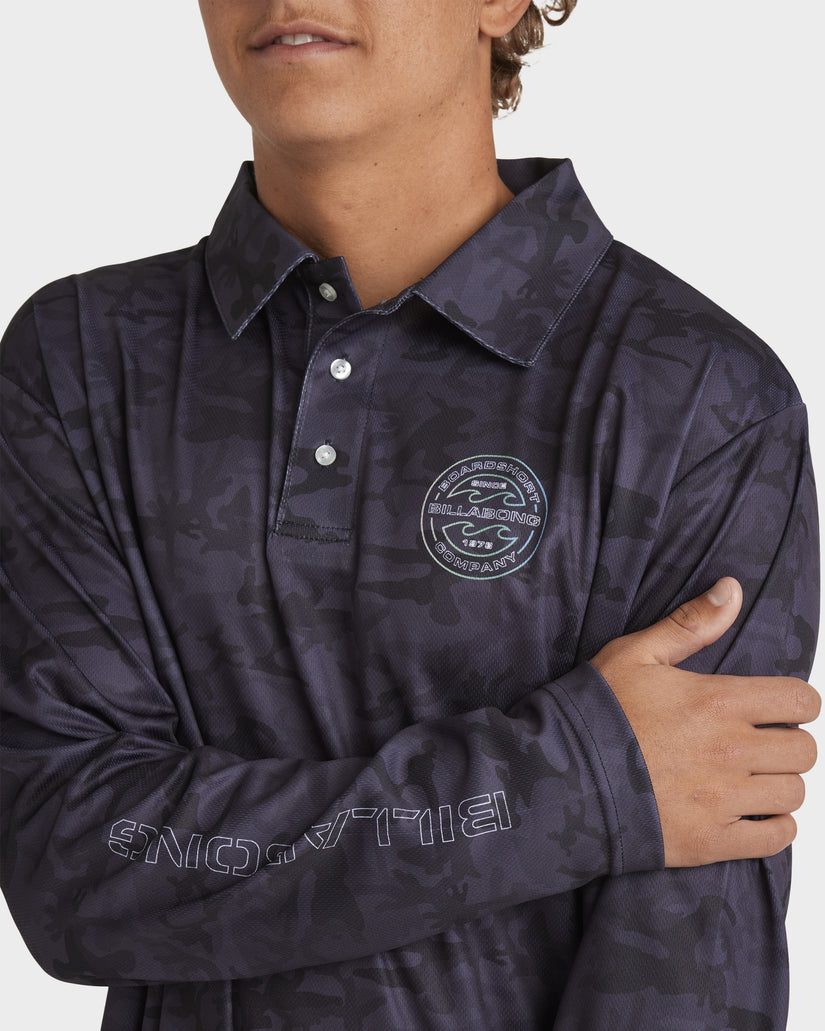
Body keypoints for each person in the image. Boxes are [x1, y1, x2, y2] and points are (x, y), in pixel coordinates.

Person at [0, 1, 819, 1029]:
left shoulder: (695, 399)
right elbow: (73, 866)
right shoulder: (81, 362)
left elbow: (684, 983)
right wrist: (569, 783)